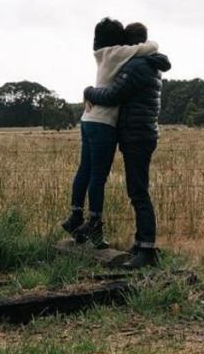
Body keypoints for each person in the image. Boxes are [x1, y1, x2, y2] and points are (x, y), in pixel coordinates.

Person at [63, 18, 158, 249]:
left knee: (84, 170)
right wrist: (154, 48)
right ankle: (95, 222)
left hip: (88, 120)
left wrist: (87, 91)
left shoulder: (102, 54)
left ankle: (76, 216)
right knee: (99, 176)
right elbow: (147, 47)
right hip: (104, 122)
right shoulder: (120, 54)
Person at [81, 22, 170, 268]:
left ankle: (147, 250)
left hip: (136, 135)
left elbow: (112, 95)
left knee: (139, 192)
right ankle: (142, 244)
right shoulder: (149, 64)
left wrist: (89, 91)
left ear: (132, 46)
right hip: (140, 134)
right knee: (137, 191)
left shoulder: (137, 66)